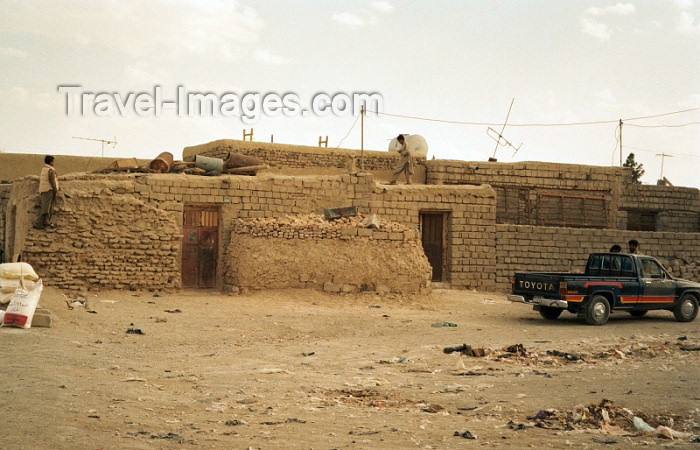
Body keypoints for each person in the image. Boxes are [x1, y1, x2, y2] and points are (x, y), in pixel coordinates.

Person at [33, 155, 59, 229]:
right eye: (53, 161)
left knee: (47, 207)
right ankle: (39, 223)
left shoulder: (44, 169)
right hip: (48, 190)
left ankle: (46, 222)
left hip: (44, 189)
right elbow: (52, 181)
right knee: (46, 208)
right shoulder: (50, 170)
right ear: (51, 162)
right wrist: (55, 190)